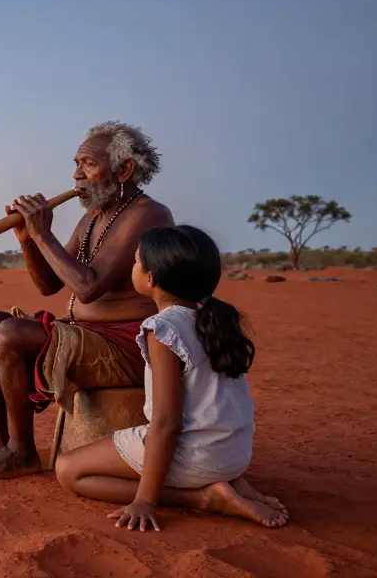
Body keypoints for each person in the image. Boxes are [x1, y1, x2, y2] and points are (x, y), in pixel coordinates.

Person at [0, 121, 174, 482]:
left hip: (127, 344)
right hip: (88, 334)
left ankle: (21, 453)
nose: (76, 174)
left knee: (11, 333)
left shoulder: (147, 215)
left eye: (88, 164)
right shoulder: (94, 216)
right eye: (76, 163)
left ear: (124, 170)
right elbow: (48, 286)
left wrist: (43, 232)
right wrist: (27, 239)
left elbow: (88, 287)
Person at [53, 225, 287, 530]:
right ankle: (230, 484)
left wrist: (145, 500)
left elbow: (167, 422)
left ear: (150, 279)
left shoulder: (163, 328)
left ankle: (201, 498)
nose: (133, 268)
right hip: (233, 456)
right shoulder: (213, 319)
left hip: (197, 457)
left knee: (68, 469)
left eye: (136, 262)